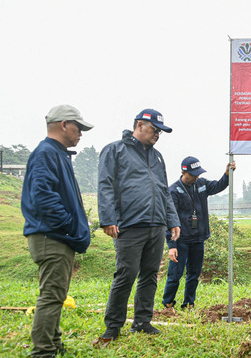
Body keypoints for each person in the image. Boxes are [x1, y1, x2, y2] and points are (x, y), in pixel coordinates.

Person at [95, 109, 180, 345]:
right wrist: (108, 218)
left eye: (161, 132)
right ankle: (112, 326)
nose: (158, 135)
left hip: (156, 225)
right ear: (140, 125)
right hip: (129, 225)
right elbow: (105, 184)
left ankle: (142, 321)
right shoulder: (115, 150)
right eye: (155, 130)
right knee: (126, 274)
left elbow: (164, 191)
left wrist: (172, 220)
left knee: (150, 274)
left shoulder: (158, 156)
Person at [22, 105, 94, 358]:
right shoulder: (46, 153)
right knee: (51, 298)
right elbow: (43, 197)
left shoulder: (56, 154)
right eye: (78, 128)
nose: (80, 134)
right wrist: (69, 225)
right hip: (51, 237)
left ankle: (53, 345)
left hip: (56, 237)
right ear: (64, 124)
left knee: (56, 295)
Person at [162, 157, 236, 309]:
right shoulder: (174, 191)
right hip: (181, 241)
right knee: (175, 274)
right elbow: (169, 219)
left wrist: (227, 175)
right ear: (183, 172)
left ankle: (189, 303)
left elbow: (218, 186)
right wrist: (172, 245)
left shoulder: (201, 184)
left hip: (198, 239)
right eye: (193, 174)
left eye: (198, 174)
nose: (196, 177)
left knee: (194, 274)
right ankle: (168, 304)